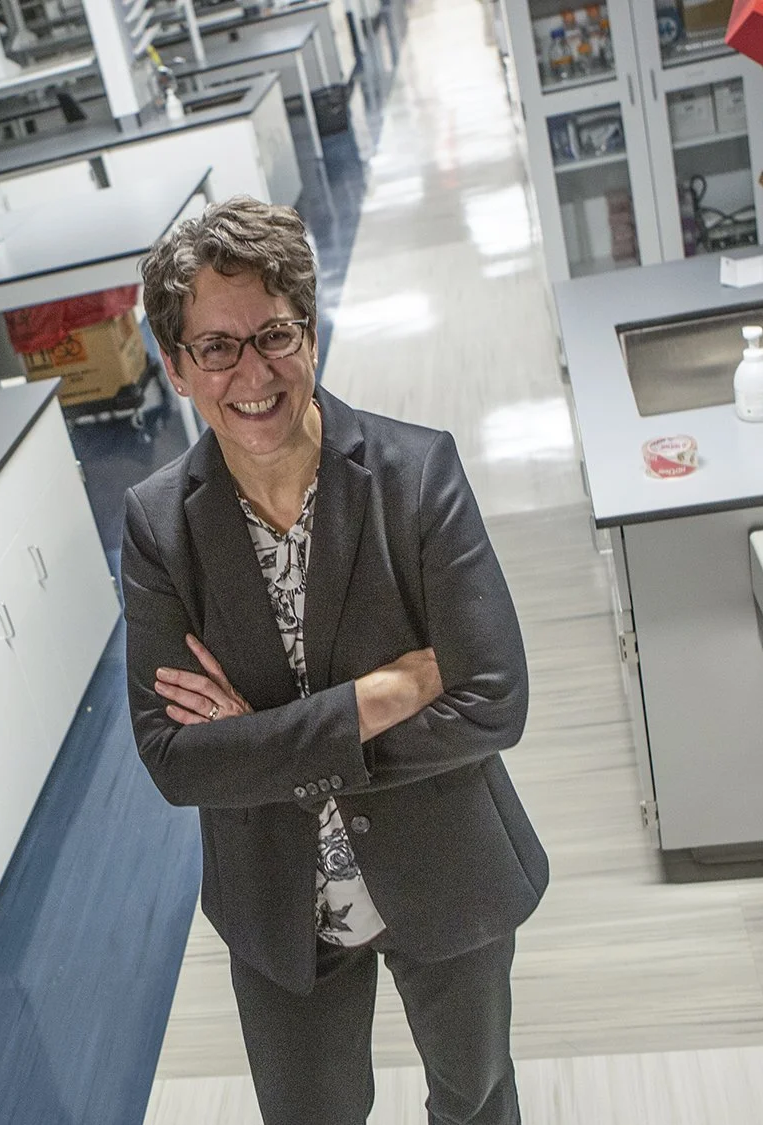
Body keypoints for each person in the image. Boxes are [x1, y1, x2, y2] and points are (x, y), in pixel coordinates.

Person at [122, 197, 547, 1125]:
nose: (253, 373)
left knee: (474, 1096)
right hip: (275, 901)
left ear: (311, 333)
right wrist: (378, 696)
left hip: (444, 865)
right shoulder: (158, 527)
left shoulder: (415, 474)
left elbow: (493, 699)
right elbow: (175, 759)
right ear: (176, 367)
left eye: (274, 334)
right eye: (216, 347)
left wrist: (263, 743)